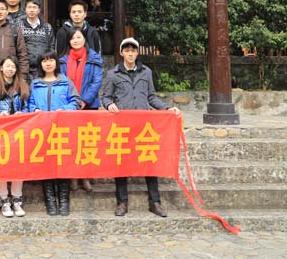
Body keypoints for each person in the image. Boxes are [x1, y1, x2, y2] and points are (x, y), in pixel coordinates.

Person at [101, 37, 181, 218]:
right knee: (121, 164)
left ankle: (155, 202)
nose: (130, 54)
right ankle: (122, 202)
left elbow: (151, 97)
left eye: (133, 51)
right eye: (127, 51)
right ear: (121, 53)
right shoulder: (113, 74)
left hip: (144, 126)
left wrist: (166, 108)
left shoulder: (146, 72)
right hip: (122, 125)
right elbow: (106, 97)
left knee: (149, 162)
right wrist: (109, 105)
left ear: (137, 53)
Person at [28, 51, 81, 216]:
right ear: (40, 64)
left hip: (62, 130)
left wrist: (63, 110)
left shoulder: (65, 81)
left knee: (62, 165)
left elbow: (76, 101)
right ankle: (50, 200)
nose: (48, 63)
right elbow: (30, 103)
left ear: (56, 63)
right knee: (46, 165)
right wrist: (34, 109)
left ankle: (64, 200)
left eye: (51, 60)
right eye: (44, 61)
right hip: (42, 130)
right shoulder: (35, 83)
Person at [59, 27, 104, 193]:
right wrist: (73, 102)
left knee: (87, 141)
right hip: (70, 105)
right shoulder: (62, 61)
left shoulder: (94, 58)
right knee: (71, 141)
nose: (76, 40)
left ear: (84, 39)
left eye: (79, 37)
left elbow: (96, 82)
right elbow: (62, 82)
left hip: (89, 105)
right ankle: (73, 176)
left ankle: (85, 176)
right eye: (73, 38)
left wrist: (84, 100)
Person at [0, 56, 29, 218]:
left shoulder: (22, 85)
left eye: (13, 66)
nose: (10, 69)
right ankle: (4, 199)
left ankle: (17, 198)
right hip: (0, 131)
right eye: (7, 66)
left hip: (19, 131)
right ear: (1, 68)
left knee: (18, 165)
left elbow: (28, 107)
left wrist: (21, 114)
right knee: (1, 164)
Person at [0, 0, 28, 89]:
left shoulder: (15, 29)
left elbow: (22, 54)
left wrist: (23, 76)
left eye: (2, 9)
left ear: (7, 12)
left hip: (10, 75)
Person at [18, 0, 54, 84]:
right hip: (24, 68)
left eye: (34, 7)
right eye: (29, 7)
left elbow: (52, 47)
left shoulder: (47, 27)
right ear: (25, 9)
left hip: (42, 68)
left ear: (39, 10)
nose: (31, 10)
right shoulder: (19, 26)